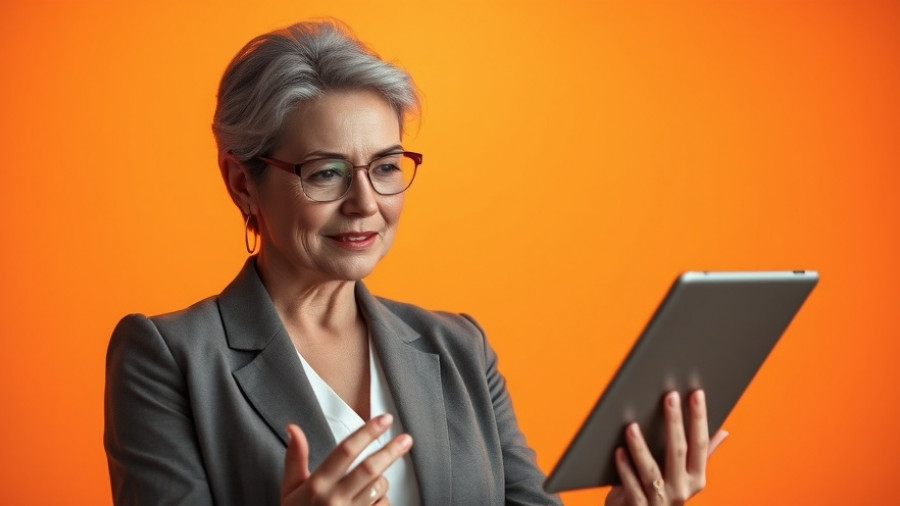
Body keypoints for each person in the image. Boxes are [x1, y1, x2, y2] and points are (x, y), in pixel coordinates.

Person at [104, 20, 725, 506]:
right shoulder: (168, 357)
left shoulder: (459, 348)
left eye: (385, 167)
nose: (365, 204)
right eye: (326, 173)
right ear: (242, 183)